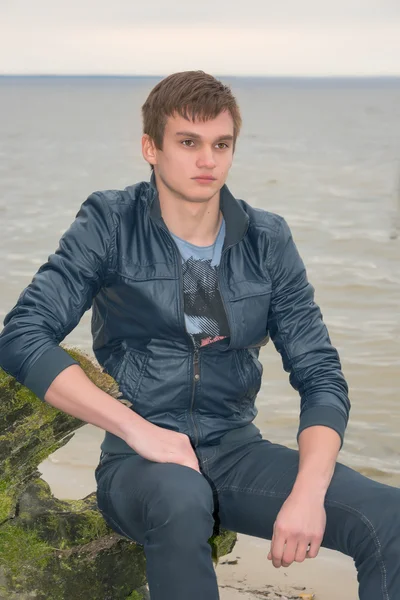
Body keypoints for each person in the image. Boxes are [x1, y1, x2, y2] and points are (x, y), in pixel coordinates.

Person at [0, 70, 398, 600]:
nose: (207, 160)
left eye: (221, 144)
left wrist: (308, 490)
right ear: (151, 147)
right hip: (139, 463)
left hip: (234, 451)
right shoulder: (110, 223)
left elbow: (320, 373)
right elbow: (23, 334)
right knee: (182, 496)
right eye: (188, 143)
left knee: (388, 519)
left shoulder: (265, 239)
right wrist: (136, 430)